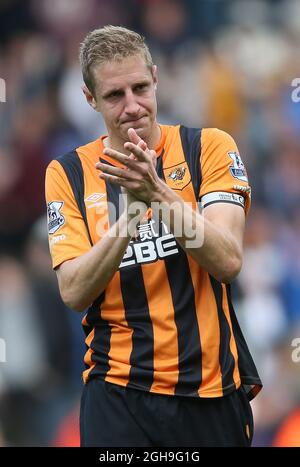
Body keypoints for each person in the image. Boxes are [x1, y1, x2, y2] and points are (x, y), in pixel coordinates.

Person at [45, 25, 262, 447]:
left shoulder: (209, 148)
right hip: (118, 394)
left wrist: (157, 194)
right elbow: (72, 290)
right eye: (114, 95)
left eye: (140, 87)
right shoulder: (67, 174)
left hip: (211, 392)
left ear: (157, 78)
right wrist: (130, 219)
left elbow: (228, 260)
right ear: (90, 99)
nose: (132, 107)